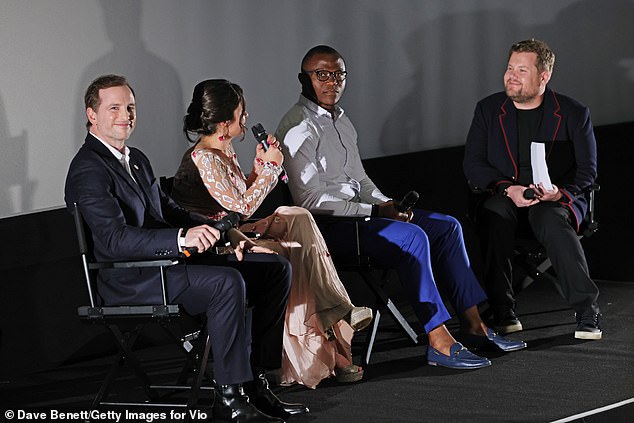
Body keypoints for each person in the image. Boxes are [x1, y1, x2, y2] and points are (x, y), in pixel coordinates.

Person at [65, 74, 308, 422]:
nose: (125, 115)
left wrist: (221, 234)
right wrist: (182, 239)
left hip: (163, 266)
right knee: (227, 284)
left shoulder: (136, 159)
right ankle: (228, 397)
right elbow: (114, 241)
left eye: (130, 107)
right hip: (129, 279)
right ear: (92, 115)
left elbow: (170, 211)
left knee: (274, 270)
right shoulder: (88, 169)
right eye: (114, 108)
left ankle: (254, 381)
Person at [275, 45, 527, 370]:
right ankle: (438, 339)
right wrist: (374, 213)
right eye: (322, 74)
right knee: (412, 237)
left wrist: (385, 204)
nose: (332, 82)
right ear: (303, 79)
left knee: (447, 226)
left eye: (339, 75)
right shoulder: (298, 128)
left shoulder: (341, 121)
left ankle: (474, 326)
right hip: (327, 230)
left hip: (364, 217)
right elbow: (310, 203)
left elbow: (360, 181)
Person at [170, 79, 374, 388]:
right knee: (293, 252)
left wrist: (257, 168)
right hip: (218, 246)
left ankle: (335, 323)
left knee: (298, 216)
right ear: (226, 122)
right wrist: (269, 170)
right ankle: (336, 331)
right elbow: (241, 209)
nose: (247, 118)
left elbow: (239, 195)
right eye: (242, 112)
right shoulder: (205, 159)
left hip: (238, 234)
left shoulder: (223, 150)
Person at [463, 39, 602, 339]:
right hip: (505, 196)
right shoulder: (488, 109)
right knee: (495, 214)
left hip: (554, 199)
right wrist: (506, 188)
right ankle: (503, 309)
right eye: (510, 67)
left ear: (544, 76)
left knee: (550, 218)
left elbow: (587, 170)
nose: (511, 75)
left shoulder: (574, 113)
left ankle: (587, 308)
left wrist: (559, 194)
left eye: (521, 70)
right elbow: (473, 164)